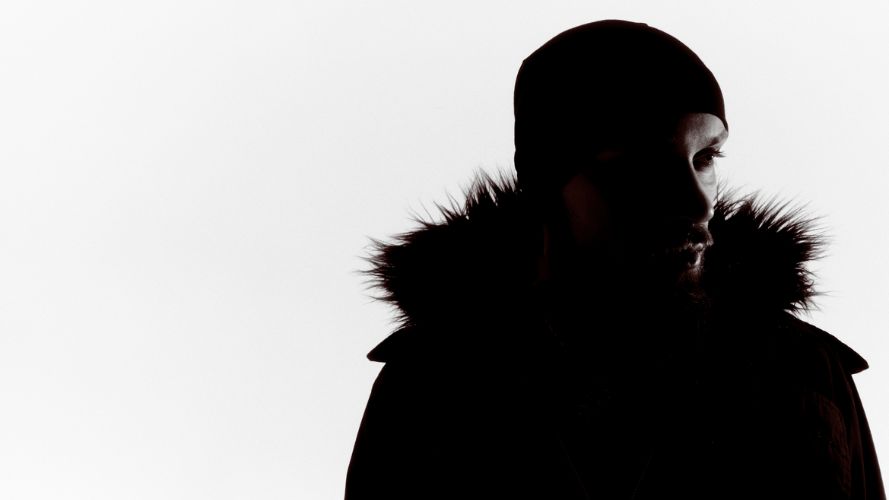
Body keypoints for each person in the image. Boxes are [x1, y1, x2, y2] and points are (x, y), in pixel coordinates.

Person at [345, 20, 885, 499]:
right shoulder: (433, 386)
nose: (697, 202)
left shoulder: (804, 376)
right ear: (546, 184)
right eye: (642, 166)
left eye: (705, 157)